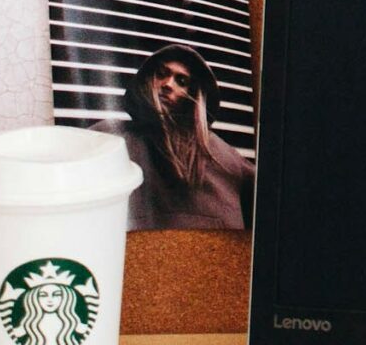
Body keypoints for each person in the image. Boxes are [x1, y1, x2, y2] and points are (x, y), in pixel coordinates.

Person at [97, 44, 253, 232]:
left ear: (193, 94)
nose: (168, 84)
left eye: (181, 81)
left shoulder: (224, 157)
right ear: (148, 80)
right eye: (162, 74)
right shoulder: (111, 136)